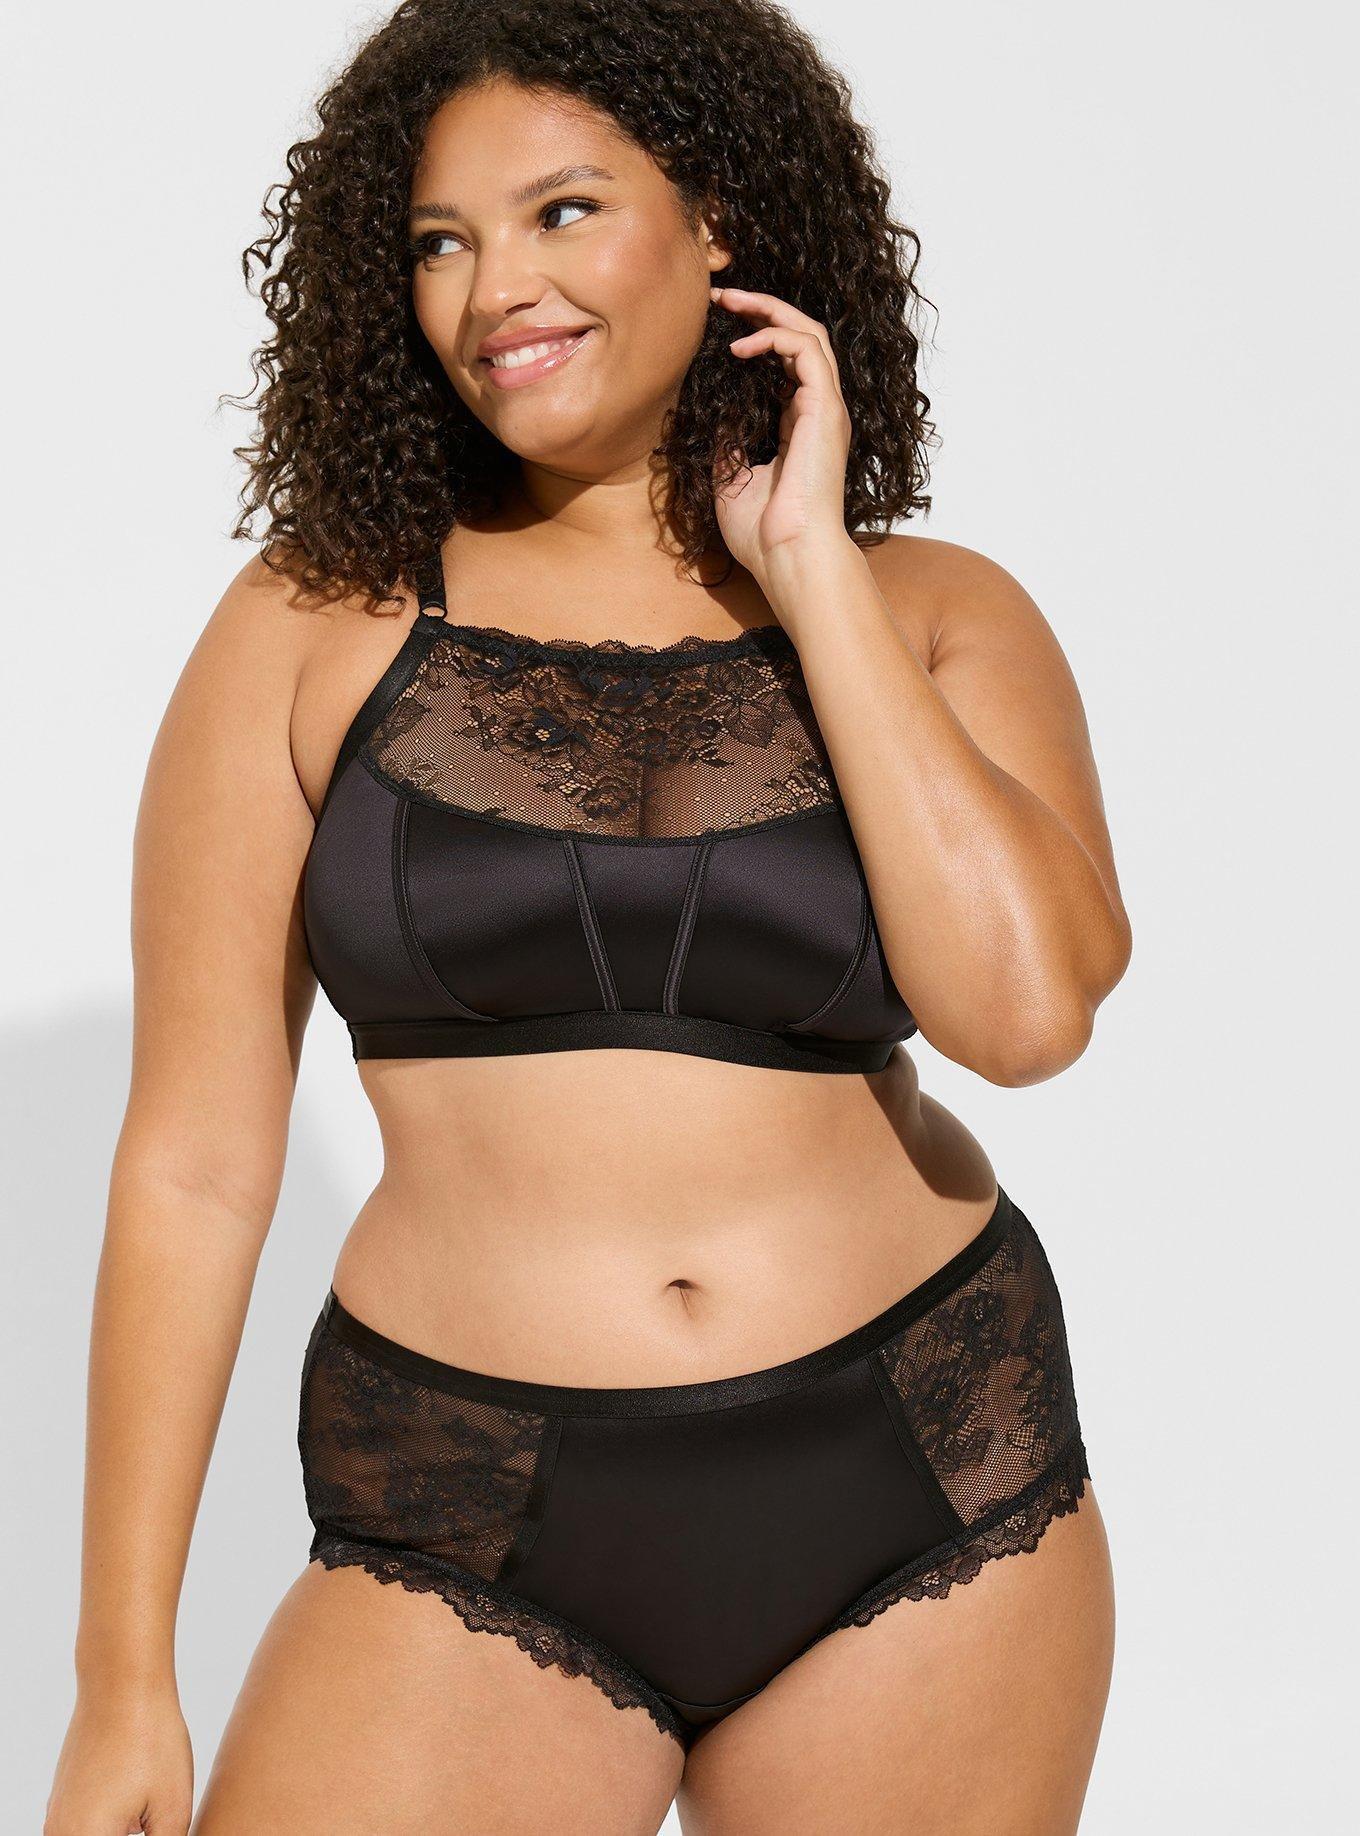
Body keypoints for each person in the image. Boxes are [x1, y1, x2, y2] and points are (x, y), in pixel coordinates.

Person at [45, 1, 1129, 1830]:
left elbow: (1026, 1017)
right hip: (463, 1498)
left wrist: (812, 571)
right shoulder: (312, 624)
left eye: (561, 211)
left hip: (929, 1474)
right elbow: (196, 1167)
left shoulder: (937, 612)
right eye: (439, 242)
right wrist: (120, 1677)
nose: (495, 292)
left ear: (716, 221)